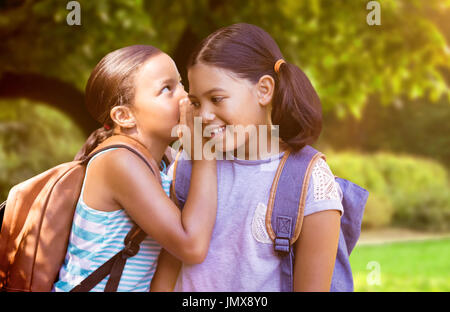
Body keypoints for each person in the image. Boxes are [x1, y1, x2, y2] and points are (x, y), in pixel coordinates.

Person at [151, 23, 343, 292]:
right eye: (196, 103)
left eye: (216, 99)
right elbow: (168, 271)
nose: (204, 115)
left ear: (264, 90)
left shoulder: (310, 180)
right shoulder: (187, 167)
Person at [53, 45, 217, 292]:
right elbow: (191, 247)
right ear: (124, 116)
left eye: (181, 84)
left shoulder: (164, 161)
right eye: (167, 89)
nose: (185, 96)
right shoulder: (119, 161)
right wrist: (204, 155)